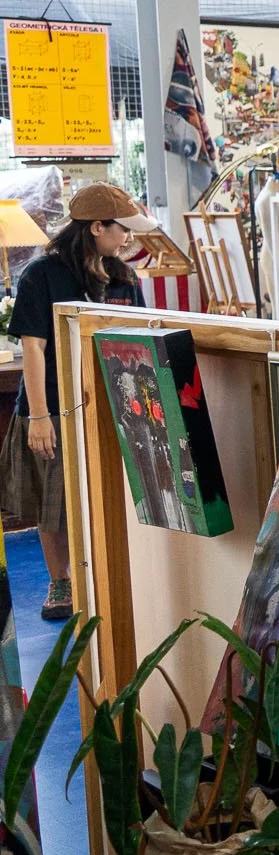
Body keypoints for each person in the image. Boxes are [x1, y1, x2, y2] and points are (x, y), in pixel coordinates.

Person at [4, 184, 152, 619]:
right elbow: (34, 348)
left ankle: (106, 576)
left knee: (107, 498)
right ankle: (60, 581)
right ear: (95, 227)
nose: (127, 239)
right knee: (53, 507)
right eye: (122, 230)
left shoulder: (124, 277)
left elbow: (139, 339)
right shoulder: (41, 275)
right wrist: (38, 416)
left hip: (109, 407)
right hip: (50, 408)